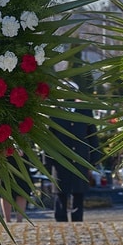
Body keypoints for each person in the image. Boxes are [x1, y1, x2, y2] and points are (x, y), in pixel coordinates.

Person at [47, 85, 98, 222]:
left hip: (80, 158)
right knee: (60, 192)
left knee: (78, 192)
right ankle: (60, 219)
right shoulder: (55, 112)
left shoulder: (85, 111)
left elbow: (92, 137)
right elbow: (48, 139)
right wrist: (48, 162)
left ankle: (77, 219)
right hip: (60, 160)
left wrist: (93, 161)